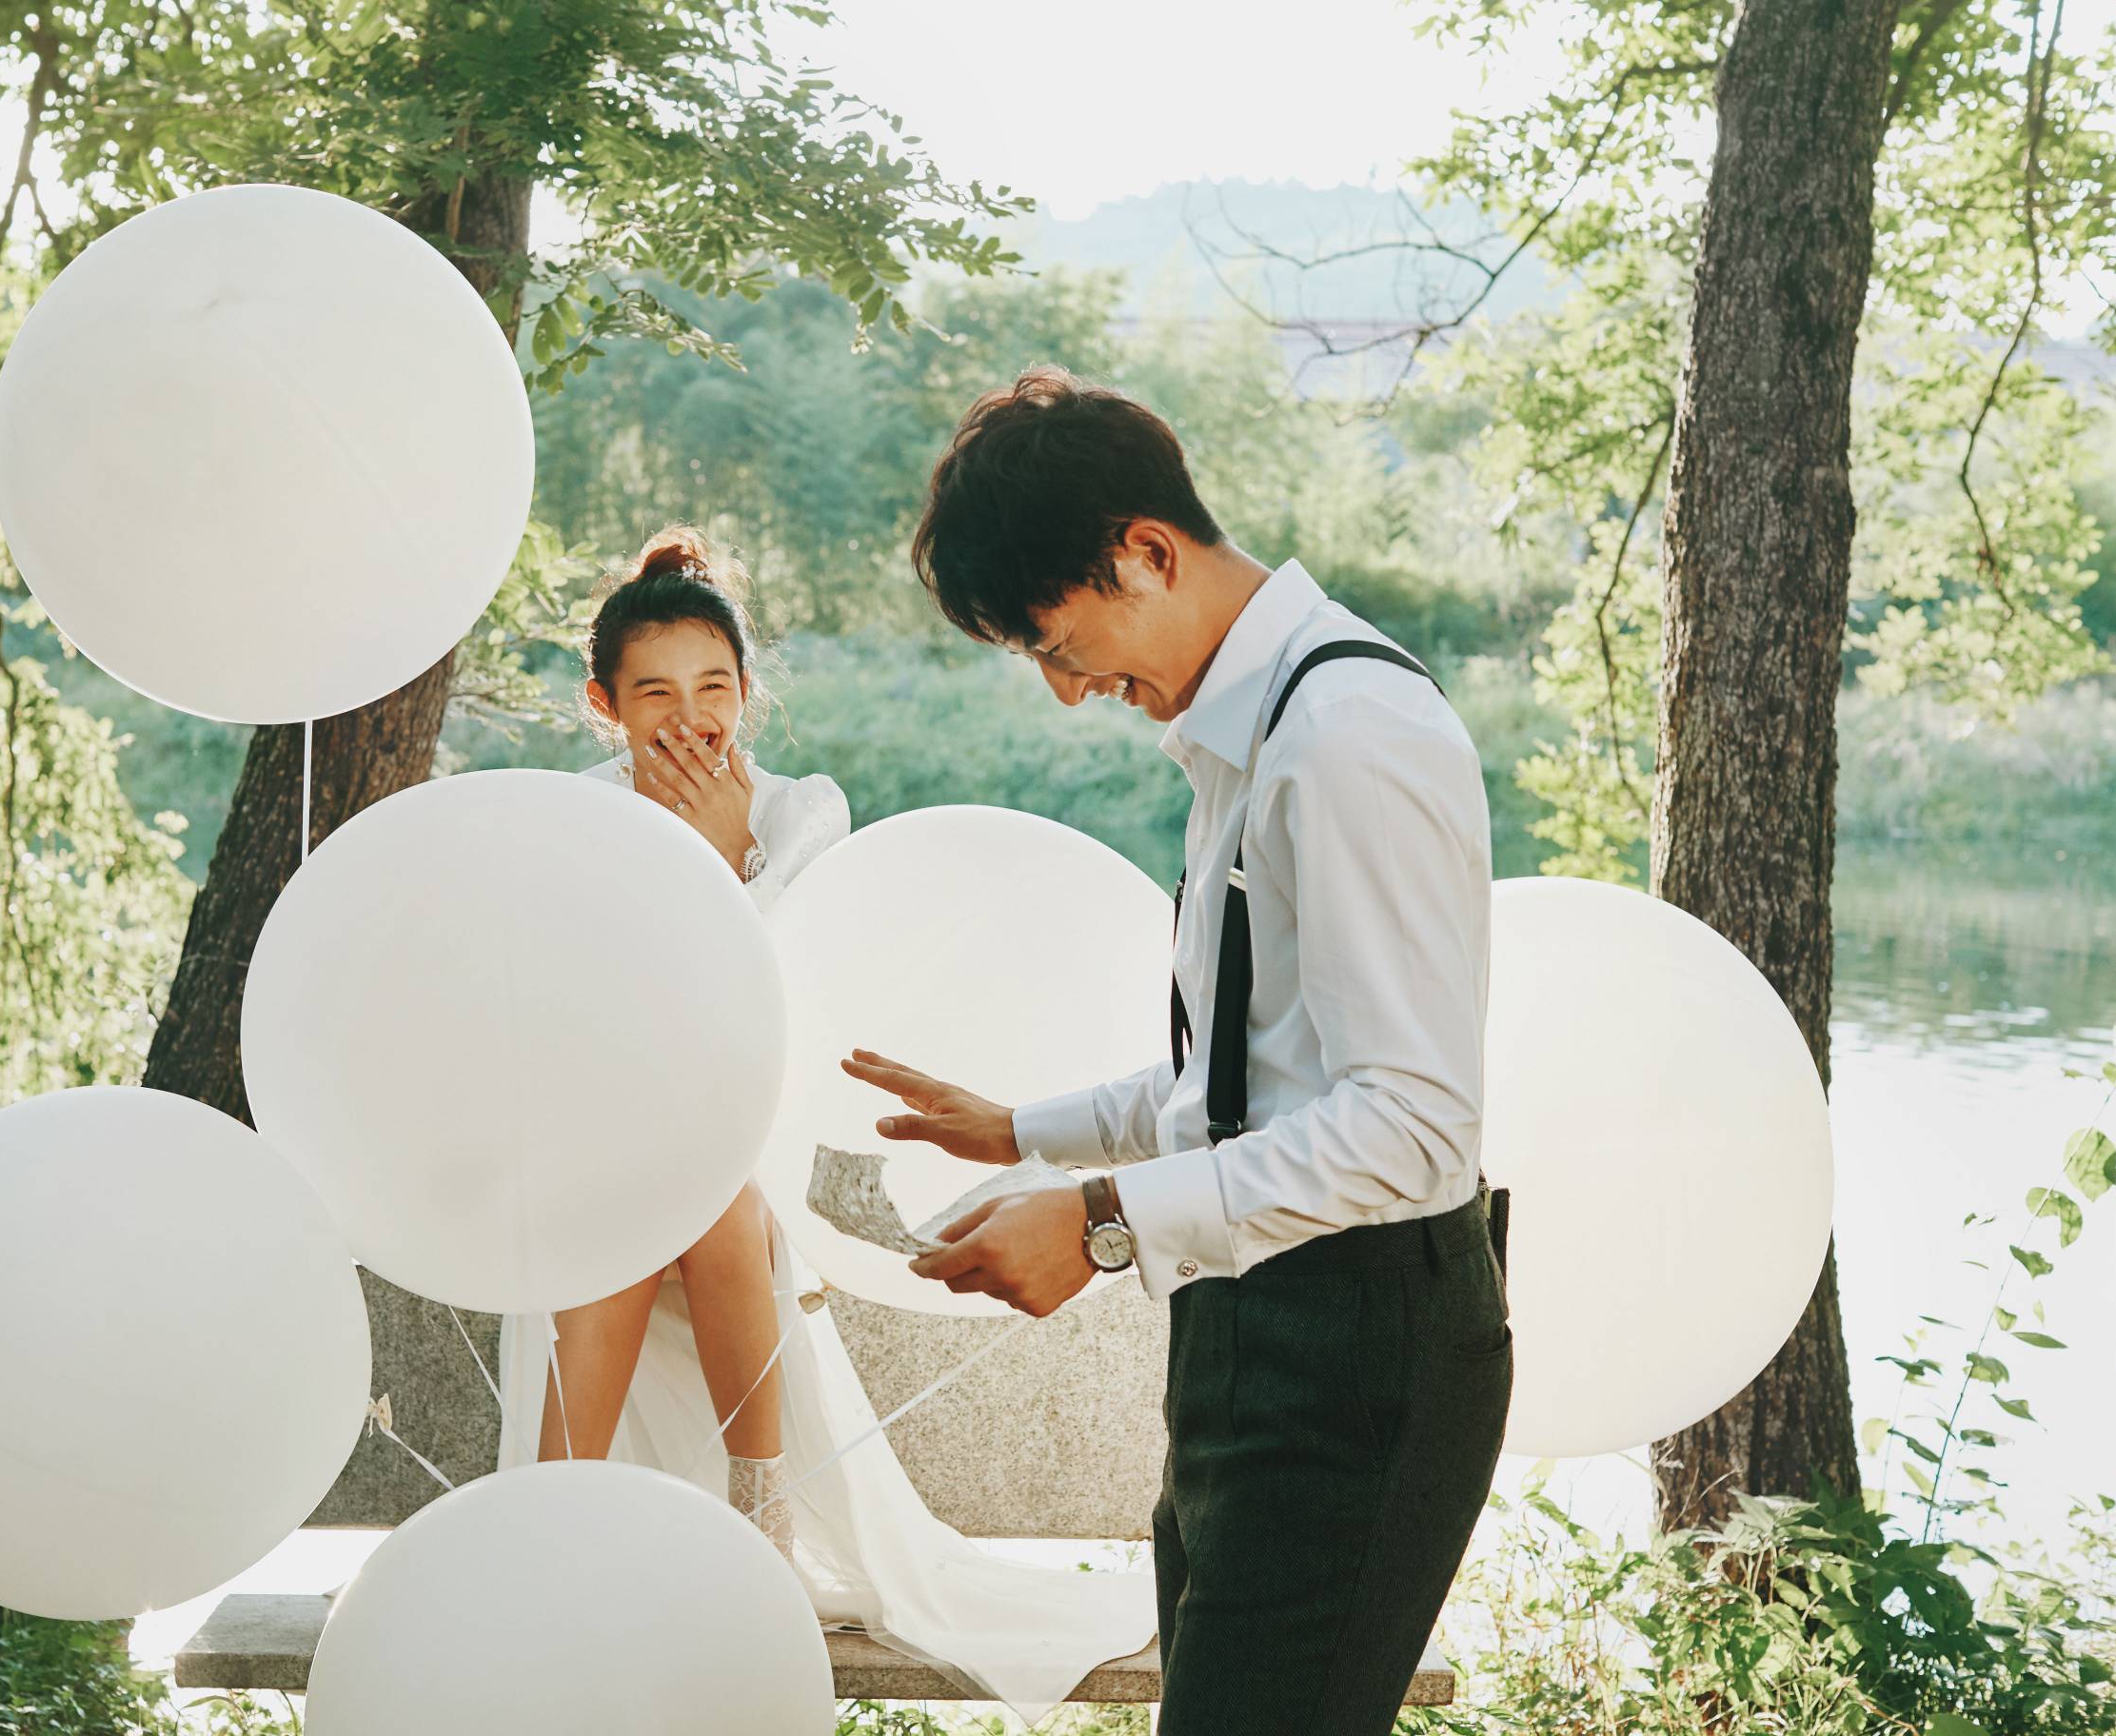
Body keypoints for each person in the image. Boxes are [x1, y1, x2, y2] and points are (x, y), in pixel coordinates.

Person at [844, 368, 1511, 1734]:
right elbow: (1252, 1086)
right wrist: (1023, 1131)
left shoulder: (1347, 738)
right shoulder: (1248, 733)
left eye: (1058, 642)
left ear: (1145, 551)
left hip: (1356, 1350)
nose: (1068, 692)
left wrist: (1099, 1221)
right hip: (1250, 1328)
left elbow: (1410, 1127)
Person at [494, 526, 1156, 1724]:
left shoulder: (799, 812)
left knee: (710, 1200)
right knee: (625, 1222)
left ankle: (763, 1519)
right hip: (611, 1124)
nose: (689, 720)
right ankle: (553, 1527)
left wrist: (723, 856)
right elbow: (574, 1004)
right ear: (605, 705)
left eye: (713, 689)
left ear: (746, 692)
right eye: (654, 695)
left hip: (752, 1125)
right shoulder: (578, 816)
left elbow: (789, 1003)